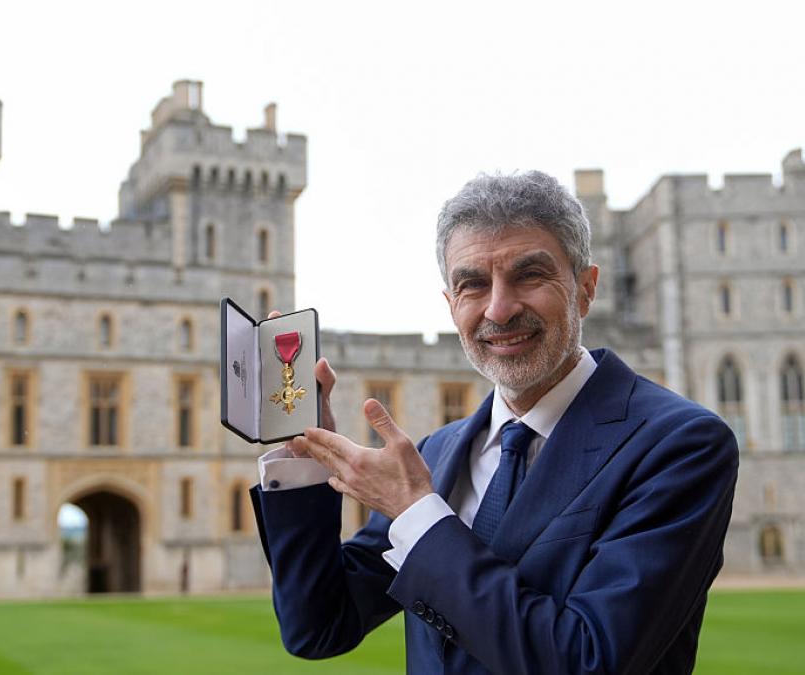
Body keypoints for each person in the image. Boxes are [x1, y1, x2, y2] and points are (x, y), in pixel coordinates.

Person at [250, 171, 738, 674]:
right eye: (473, 284)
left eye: (529, 275)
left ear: (586, 289)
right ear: (451, 305)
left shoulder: (680, 446)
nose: (499, 309)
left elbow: (590, 660)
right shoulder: (437, 453)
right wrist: (304, 463)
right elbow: (319, 627)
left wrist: (416, 514)